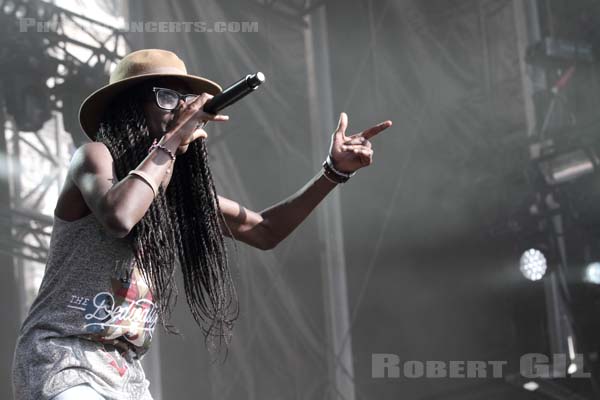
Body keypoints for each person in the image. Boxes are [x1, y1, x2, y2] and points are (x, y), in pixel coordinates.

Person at [11, 49, 392, 400]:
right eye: (165, 97)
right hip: (65, 355)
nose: (180, 109)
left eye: (185, 100)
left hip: (123, 371)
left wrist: (333, 172)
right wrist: (175, 138)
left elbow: (265, 231)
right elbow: (120, 217)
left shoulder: (176, 190)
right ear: (128, 108)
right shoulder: (95, 157)